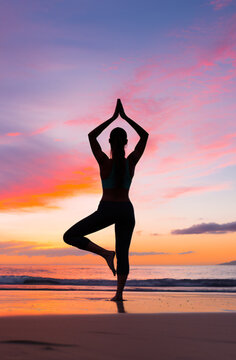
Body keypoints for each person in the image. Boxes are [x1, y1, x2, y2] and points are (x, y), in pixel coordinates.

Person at [63, 99, 148, 301]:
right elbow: (144, 136)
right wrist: (125, 118)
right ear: (126, 143)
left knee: (70, 236)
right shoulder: (132, 162)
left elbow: (91, 136)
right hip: (126, 210)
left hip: (107, 209)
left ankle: (104, 254)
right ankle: (118, 294)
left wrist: (112, 119)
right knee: (124, 252)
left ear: (109, 142)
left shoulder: (103, 162)